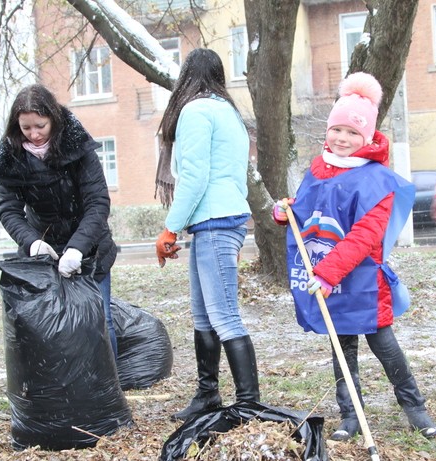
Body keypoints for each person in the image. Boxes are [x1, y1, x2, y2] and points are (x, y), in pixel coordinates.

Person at [273, 72, 436, 440]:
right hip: (328, 279)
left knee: (383, 344)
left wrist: (329, 273)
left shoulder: (376, 180)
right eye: (338, 130)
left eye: (353, 133)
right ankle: (351, 415)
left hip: (362, 280)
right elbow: (307, 211)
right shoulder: (316, 171)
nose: (342, 138)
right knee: (341, 346)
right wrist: (285, 213)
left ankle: (415, 408)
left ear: (366, 138)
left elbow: (366, 235)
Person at [154, 48, 259, 421]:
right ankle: (207, 395)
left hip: (214, 222)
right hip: (217, 221)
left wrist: (170, 227)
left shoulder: (196, 111)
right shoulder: (229, 113)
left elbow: (194, 177)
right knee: (203, 315)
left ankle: (249, 403)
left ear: (187, 77)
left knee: (224, 315)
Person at [0, 83, 119, 362]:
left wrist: (77, 249)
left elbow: (97, 203)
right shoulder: (10, 156)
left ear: (54, 120)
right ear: (16, 126)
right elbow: (9, 211)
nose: (34, 134)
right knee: (50, 327)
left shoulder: (77, 145)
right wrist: (33, 243)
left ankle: (108, 395)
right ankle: (63, 394)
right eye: (26, 128)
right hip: (43, 254)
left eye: (41, 126)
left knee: (99, 323)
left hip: (90, 250)